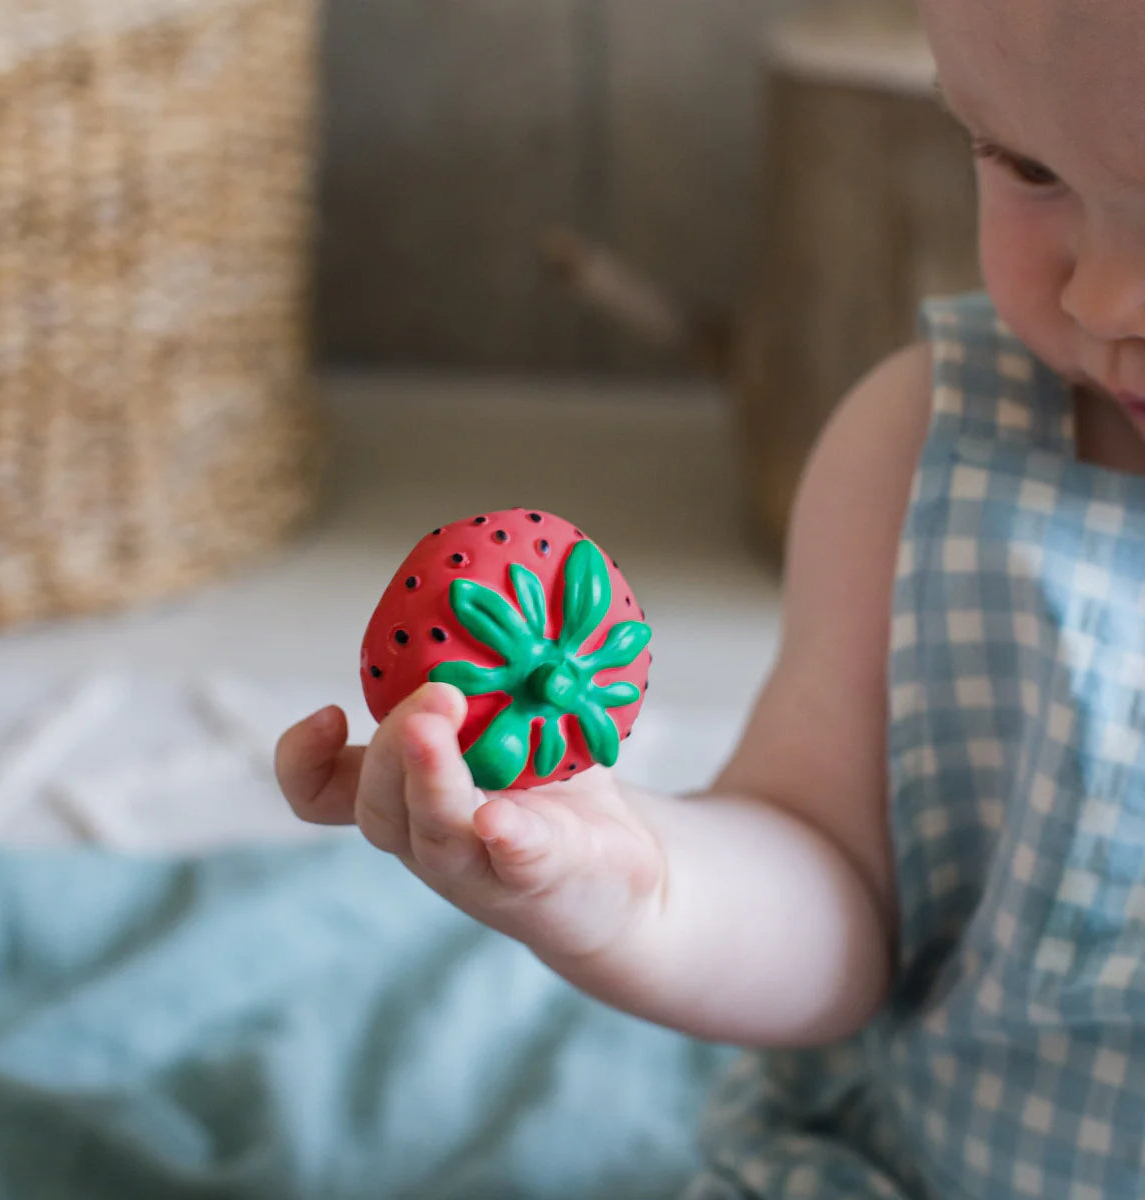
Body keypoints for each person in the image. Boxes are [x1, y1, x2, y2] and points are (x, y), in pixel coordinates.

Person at [275, 0, 1145, 1194]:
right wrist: (637, 888)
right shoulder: (927, 458)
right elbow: (830, 883)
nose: (1103, 296)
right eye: (1029, 165)